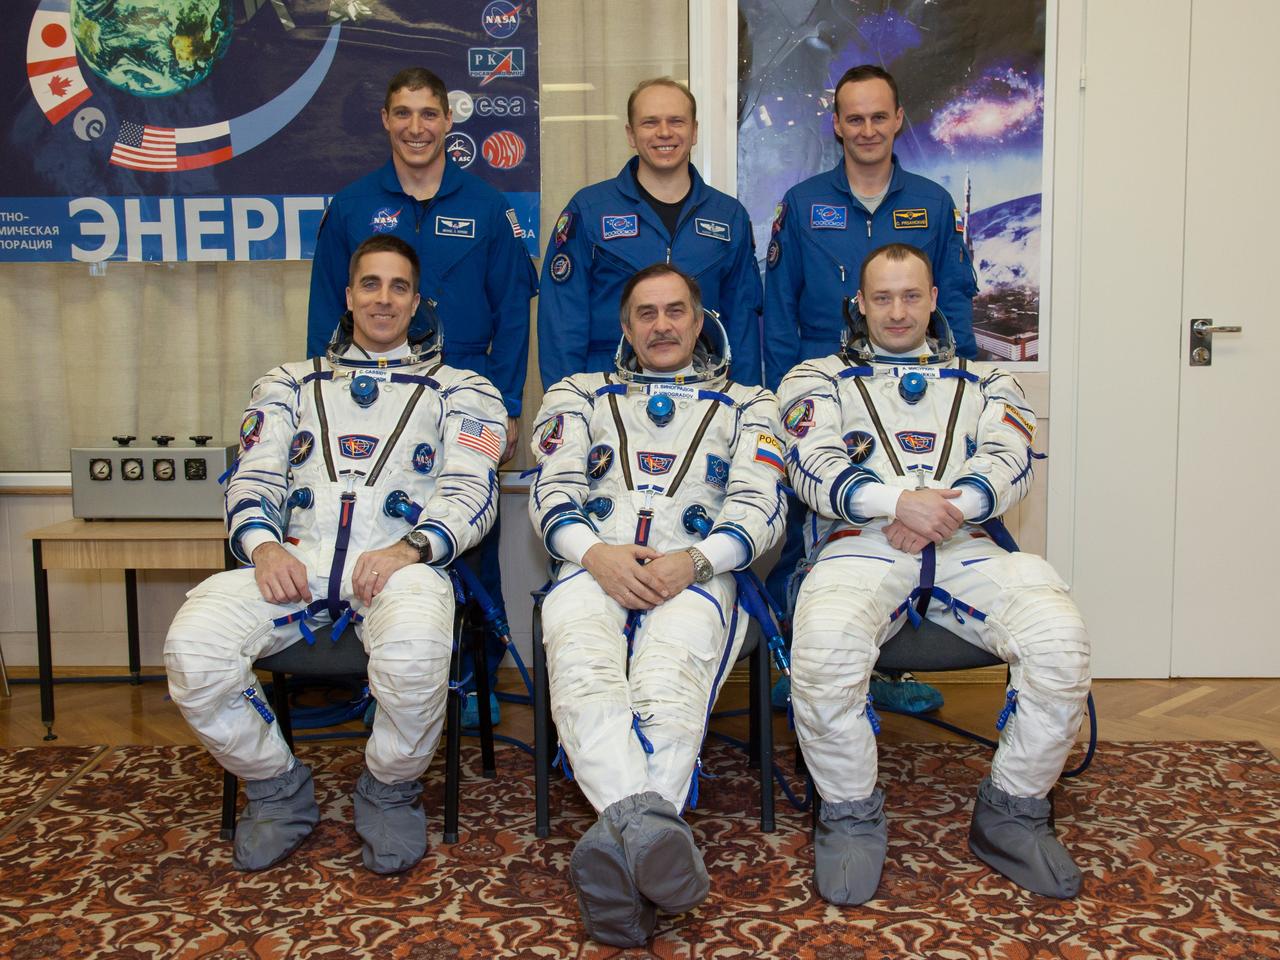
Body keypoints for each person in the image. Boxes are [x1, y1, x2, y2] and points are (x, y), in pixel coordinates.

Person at [166, 235, 507, 875]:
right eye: (370, 285)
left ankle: (387, 788)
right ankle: (276, 786)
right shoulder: (287, 383)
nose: (383, 299)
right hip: (295, 561)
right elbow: (253, 478)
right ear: (348, 297)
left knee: (414, 655)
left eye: (398, 287)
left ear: (416, 303)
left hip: (402, 567)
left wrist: (412, 547)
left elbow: (472, 491)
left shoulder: (464, 390)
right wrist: (262, 548)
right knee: (193, 649)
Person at [779, 244, 1090, 904]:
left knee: (1060, 641)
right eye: (883, 298)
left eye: (912, 296)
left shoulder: (990, 383)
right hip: (858, 541)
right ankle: (850, 815)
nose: (898, 312)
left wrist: (944, 511)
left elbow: (1012, 459)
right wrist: (899, 504)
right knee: (824, 648)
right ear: (859, 304)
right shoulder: (814, 379)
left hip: (966, 539)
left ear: (933, 300)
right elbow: (813, 465)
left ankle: (1012, 811)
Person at [529, 264, 786, 946]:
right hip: (594, 564)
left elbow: (763, 508)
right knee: (585, 672)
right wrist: (595, 554)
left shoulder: (752, 404)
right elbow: (552, 494)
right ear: (626, 325)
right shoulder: (577, 395)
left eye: (677, 311)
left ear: (700, 322)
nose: (663, 325)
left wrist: (693, 562)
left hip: (698, 572)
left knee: (667, 687)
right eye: (647, 313)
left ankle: (618, 858)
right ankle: (645, 843)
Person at [306, 67, 536, 729]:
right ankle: (387, 672)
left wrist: (509, 407)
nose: (415, 127)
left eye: (428, 114)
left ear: (448, 121)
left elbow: (512, 314)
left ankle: (475, 682)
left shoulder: (489, 208)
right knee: (375, 528)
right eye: (402, 113)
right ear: (385, 120)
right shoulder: (351, 207)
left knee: (470, 539)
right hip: (373, 407)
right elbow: (327, 311)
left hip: (462, 405)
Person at [764, 64, 980, 713]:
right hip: (819, 390)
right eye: (853, 117)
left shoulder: (933, 205)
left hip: (909, 396)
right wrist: (778, 403)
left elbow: (958, 302)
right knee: (807, 537)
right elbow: (778, 309)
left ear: (897, 119)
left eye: (877, 116)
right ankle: (799, 664)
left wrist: (961, 394)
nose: (866, 129)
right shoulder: (801, 205)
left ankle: (886, 671)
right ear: (836, 124)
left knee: (898, 528)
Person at [537, 77, 763, 391]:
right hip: (608, 390)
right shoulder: (589, 210)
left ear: (694, 131)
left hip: (703, 389)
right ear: (631, 134)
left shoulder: (728, 216)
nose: (664, 133)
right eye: (649, 122)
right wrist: (565, 402)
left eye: (676, 121)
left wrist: (744, 402)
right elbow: (561, 321)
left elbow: (743, 324)